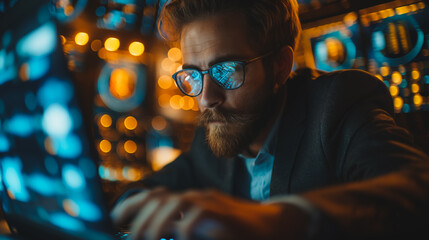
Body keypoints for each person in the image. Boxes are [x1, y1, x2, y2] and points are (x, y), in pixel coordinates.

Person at [111, 0, 429, 239]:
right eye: (193, 75)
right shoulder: (213, 129)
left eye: (227, 70)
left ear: (280, 66)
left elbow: (417, 190)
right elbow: (144, 193)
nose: (206, 98)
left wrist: (275, 219)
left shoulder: (337, 106)